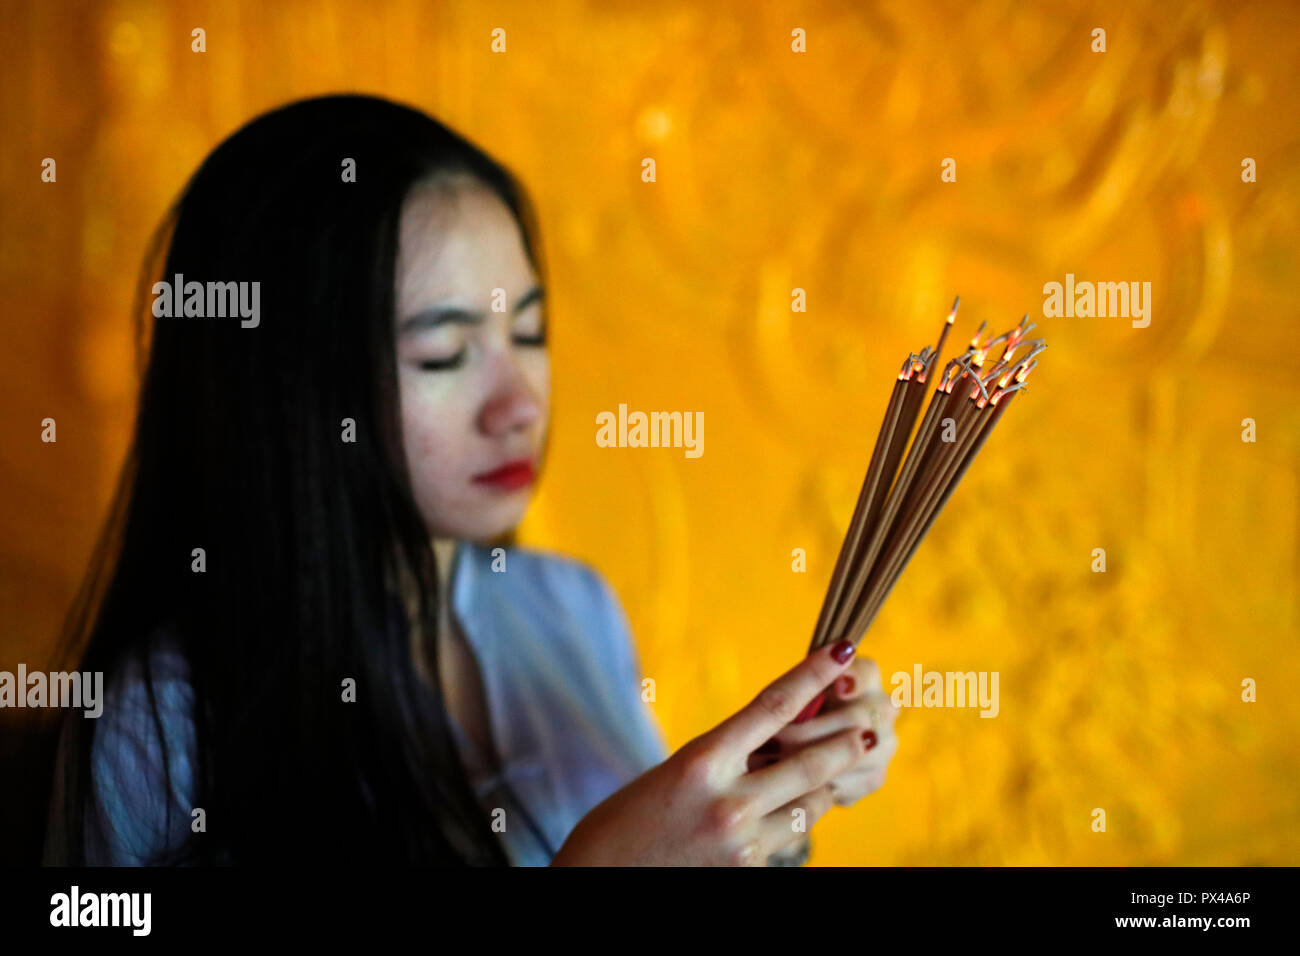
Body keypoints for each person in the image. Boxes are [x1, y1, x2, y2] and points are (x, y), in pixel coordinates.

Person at [42, 94, 898, 867]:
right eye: (444, 353)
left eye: (529, 334)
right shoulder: (164, 725)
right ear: (292, 388)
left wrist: (773, 808)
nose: (519, 405)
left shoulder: (570, 610)